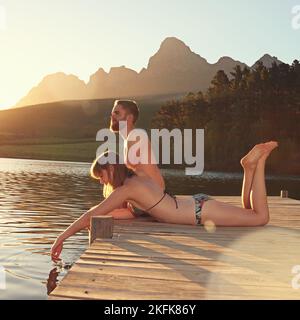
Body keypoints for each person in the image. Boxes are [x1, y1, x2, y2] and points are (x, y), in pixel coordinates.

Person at [51, 141, 278, 262]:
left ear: (110, 168)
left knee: (260, 217)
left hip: (199, 213)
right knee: (249, 213)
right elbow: (126, 212)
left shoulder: (126, 189)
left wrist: (61, 237)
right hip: (197, 205)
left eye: (101, 177)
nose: (101, 183)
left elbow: (92, 215)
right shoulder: (135, 177)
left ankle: (260, 163)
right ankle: (249, 168)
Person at [109, 99, 165, 218]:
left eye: (117, 113)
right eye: (112, 113)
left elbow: (127, 173)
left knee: (97, 214)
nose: (112, 116)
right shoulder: (129, 138)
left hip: (153, 200)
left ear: (129, 118)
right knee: (97, 213)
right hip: (144, 200)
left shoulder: (137, 135)